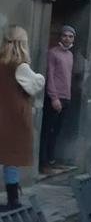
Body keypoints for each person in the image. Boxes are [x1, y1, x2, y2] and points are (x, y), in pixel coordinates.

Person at [0, 25, 45, 210]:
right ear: (22, 43)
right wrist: (40, 75)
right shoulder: (20, 66)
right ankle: (13, 201)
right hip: (14, 119)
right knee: (11, 159)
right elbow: (36, 85)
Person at [40, 25, 75, 173]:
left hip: (66, 97)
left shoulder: (70, 55)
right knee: (48, 130)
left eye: (70, 36)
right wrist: (54, 98)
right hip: (55, 98)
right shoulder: (53, 53)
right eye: (64, 36)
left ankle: (52, 160)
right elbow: (50, 77)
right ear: (60, 37)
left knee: (57, 131)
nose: (67, 38)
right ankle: (43, 163)